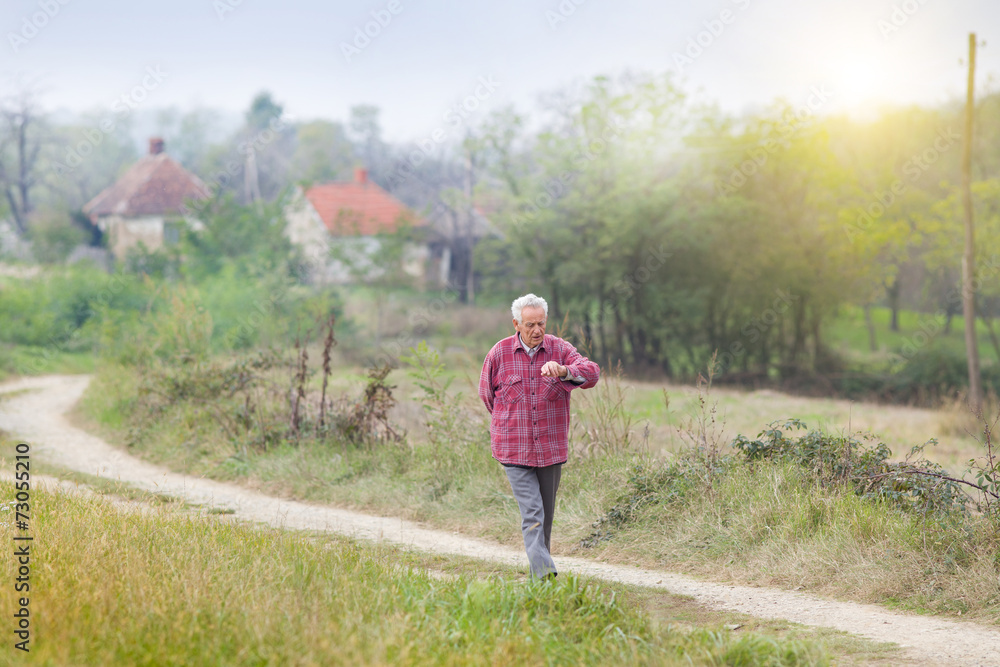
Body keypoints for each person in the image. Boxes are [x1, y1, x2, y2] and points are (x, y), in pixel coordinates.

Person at [479, 293, 600, 579]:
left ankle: (540, 582)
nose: (537, 330)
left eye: (541, 323)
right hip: (514, 450)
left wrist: (565, 370)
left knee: (544, 518)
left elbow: (592, 373)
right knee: (533, 514)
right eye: (530, 324)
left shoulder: (560, 349)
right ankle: (546, 574)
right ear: (516, 324)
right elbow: (488, 398)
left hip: (550, 449)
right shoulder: (499, 353)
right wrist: (509, 424)